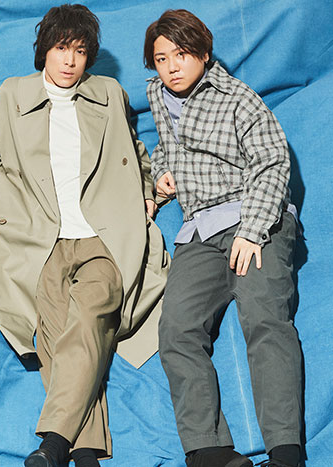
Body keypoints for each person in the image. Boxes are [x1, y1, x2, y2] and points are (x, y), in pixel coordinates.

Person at [0, 5, 169, 467]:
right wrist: (0, 199)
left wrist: (146, 194)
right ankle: (85, 453)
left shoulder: (108, 93)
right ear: (45, 50)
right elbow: (0, 156)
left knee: (93, 314)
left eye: (79, 51)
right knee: (55, 334)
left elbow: (134, 150)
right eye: (61, 48)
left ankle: (54, 443)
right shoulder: (12, 94)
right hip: (40, 236)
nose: (70, 60)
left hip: (103, 233)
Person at [144, 9, 303, 467]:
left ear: (203, 53)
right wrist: (160, 177)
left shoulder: (238, 98)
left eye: (181, 54)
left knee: (264, 319)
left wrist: (253, 231)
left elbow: (273, 163)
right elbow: (167, 148)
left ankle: (285, 453)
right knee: (176, 330)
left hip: (254, 218)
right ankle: (209, 450)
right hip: (199, 229)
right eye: (161, 58)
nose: (171, 67)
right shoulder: (157, 94)